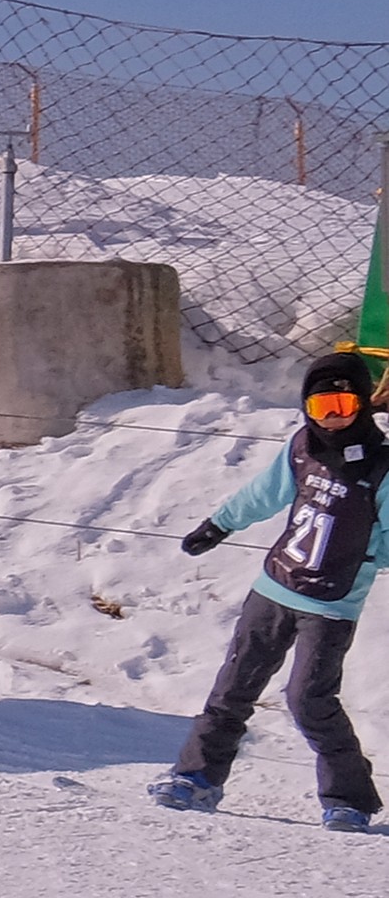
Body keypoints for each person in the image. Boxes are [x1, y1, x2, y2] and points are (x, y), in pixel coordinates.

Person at [152, 351, 383, 831]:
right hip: (275, 587)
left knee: (309, 700)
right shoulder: (302, 448)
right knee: (233, 688)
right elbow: (264, 492)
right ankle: (196, 777)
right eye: (323, 409)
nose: (334, 420)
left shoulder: (382, 467)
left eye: (344, 406)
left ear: (363, 405)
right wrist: (218, 525)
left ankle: (350, 798)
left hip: (332, 604)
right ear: (307, 410)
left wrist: (366, 556)